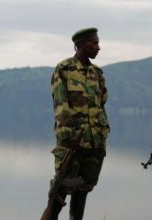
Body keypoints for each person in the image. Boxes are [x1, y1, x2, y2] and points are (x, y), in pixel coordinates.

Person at [42, 27, 110, 220]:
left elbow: (102, 103)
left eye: (98, 43)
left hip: (95, 142)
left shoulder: (97, 73)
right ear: (81, 45)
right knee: (60, 191)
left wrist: (103, 132)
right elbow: (60, 104)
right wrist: (67, 136)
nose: (98, 47)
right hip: (72, 142)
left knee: (83, 190)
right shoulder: (64, 69)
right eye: (94, 43)